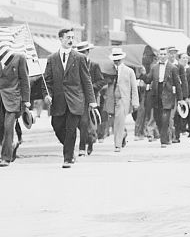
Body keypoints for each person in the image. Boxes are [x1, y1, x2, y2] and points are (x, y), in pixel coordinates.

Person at [43, 28, 97, 168]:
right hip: (59, 101)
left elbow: (87, 80)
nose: (71, 40)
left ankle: (67, 158)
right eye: (68, 37)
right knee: (57, 127)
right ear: (60, 39)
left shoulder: (79, 58)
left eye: (72, 37)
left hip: (76, 101)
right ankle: (70, 148)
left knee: (71, 129)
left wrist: (91, 101)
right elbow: (47, 81)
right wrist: (47, 95)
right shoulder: (52, 59)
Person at [0, 39, 31, 168]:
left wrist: (26, 100)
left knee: (8, 127)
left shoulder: (19, 57)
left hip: (13, 99)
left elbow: (24, 80)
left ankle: (5, 158)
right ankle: (11, 145)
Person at [144, 47, 181, 148]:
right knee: (158, 118)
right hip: (156, 94)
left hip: (168, 95)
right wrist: (142, 73)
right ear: (158, 56)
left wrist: (181, 99)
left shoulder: (173, 68)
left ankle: (163, 141)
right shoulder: (154, 68)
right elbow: (148, 79)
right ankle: (166, 136)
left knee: (165, 118)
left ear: (167, 55)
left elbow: (177, 84)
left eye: (165, 54)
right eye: (161, 54)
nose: (163, 56)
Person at [106, 47, 139, 153]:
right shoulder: (109, 70)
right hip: (112, 100)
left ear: (122, 59)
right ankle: (123, 134)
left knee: (119, 121)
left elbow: (134, 88)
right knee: (113, 121)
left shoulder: (129, 71)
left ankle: (117, 145)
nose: (116, 61)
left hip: (123, 100)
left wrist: (135, 102)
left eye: (118, 59)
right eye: (115, 59)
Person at [74, 41, 101, 156]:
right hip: (77, 98)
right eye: (80, 53)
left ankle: (82, 147)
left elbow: (101, 81)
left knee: (85, 122)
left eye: (84, 52)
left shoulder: (94, 65)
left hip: (90, 99)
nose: (82, 55)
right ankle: (89, 139)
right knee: (78, 124)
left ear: (88, 52)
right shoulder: (74, 65)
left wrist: (91, 87)